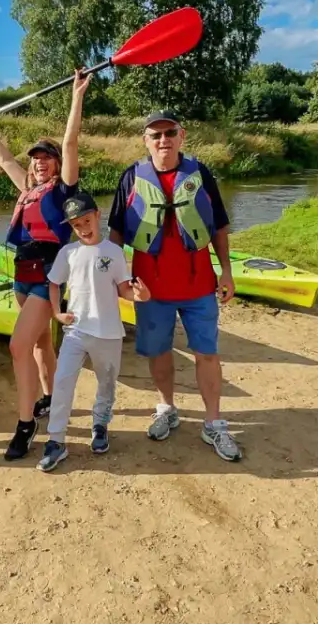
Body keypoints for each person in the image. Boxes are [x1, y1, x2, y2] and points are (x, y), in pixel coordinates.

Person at [107, 110, 243, 462]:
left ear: (182, 135)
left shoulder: (200, 174)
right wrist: (114, 280)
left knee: (207, 353)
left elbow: (219, 227)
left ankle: (213, 421)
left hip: (198, 286)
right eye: (156, 135)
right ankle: (166, 408)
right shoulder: (131, 177)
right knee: (158, 352)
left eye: (169, 133)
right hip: (150, 289)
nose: (163, 140)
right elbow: (116, 235)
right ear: (145, 141)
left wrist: (226, 271)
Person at [0, 70, 90, 460]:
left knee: (18, 345)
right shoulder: (26, 190)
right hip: (22, 276)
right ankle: (49, 397)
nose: (40, 162)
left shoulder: (64, 191)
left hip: (47, 277)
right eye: (37, 159)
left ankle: (26, 425)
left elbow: (71, 140)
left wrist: (77, 96)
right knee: (42, 342)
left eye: (47, 158)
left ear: (57, 165)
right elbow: (4, 158)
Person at [38, 192, 150, 472]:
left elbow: (124, 288)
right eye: (76, 225)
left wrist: (140, 296)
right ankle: (56, 440)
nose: (84, 228)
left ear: (97, 215)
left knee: (106, 383)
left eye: (87, 220)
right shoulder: (68, 252)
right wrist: (56, 312)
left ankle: (100, 425)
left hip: (109, 332)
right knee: (62, 381)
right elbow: (53, 283)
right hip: (75, 330)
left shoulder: (113, 251)